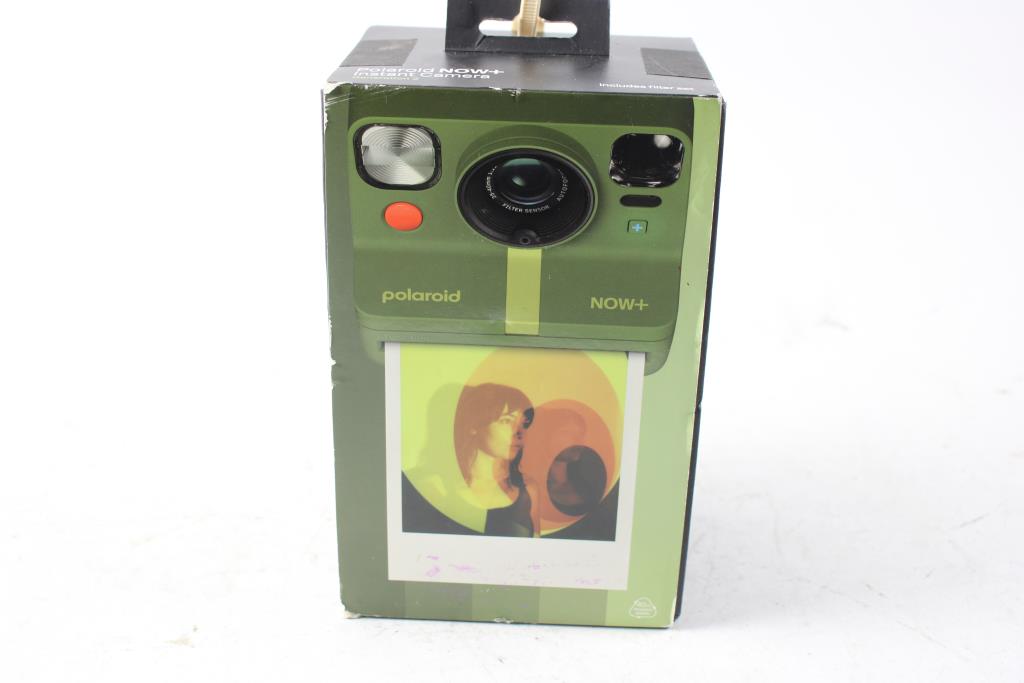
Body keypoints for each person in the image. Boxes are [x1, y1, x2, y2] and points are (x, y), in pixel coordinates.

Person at [453, 383, 539, 537]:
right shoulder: (439, 488)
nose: (519, 433)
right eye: (506, 421)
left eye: (523, 424)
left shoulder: (528, 489)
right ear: (473, 425)